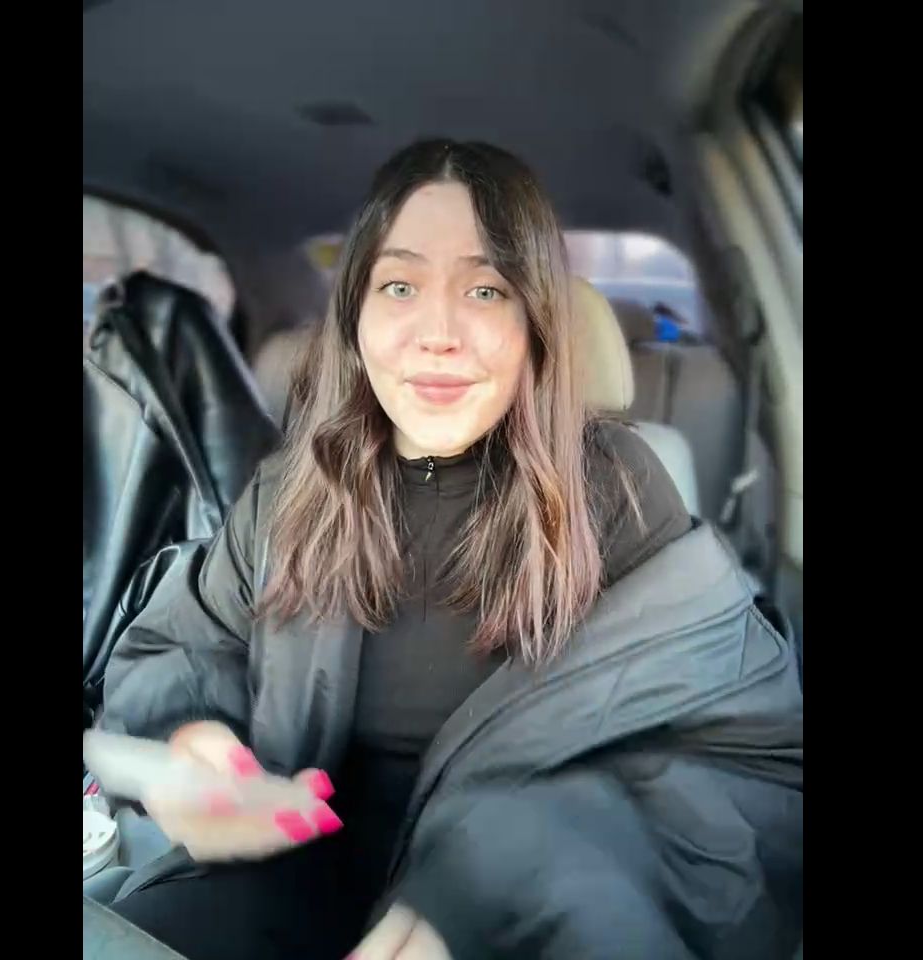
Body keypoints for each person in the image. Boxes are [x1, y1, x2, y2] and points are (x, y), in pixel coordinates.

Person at [100, 140, 803, 960]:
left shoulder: (620, 489)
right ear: (356, 316)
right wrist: (196, 736)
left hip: (533, 904)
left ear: (535, 320)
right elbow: (185, 643)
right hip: (285, 870)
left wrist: (510, 878)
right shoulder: (293, 489)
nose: (437, 334)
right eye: (399, 286)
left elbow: (740, 766)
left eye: (486, 289)